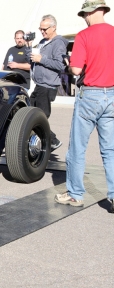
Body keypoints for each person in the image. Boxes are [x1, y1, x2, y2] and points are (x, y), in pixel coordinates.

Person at [55, 0, 114, 209]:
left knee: (77, 149)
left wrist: (69, 64)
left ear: (89, 13)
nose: (84, 19)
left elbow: (77, 70)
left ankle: (75, 194)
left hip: (90, 95)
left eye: (84, 15)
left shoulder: (84, 35)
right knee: (110, 149)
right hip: (112, 94)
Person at [25, 15, 68, 152]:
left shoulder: (58, 43)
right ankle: (47, 142)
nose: (42, 31)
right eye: (40, 29)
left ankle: (52, 141)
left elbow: (60, 65)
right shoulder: (43, 41)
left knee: (39, 118)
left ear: (53, 27)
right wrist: (29, 48)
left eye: (44, 29)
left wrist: (41, 59)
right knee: (29, 114)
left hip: (48, 86)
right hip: (39, 84)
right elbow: (32, 59)